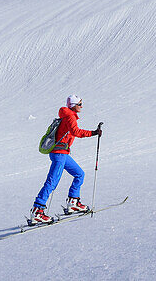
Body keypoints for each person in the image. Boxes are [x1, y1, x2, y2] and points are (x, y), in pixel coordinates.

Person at [28, 94, 102, 225]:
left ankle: (73, 203)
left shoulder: (67, 116)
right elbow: (76, 132)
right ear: (74, 105)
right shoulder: (70, 117)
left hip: (62, 154)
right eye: (79, 104)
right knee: (51, 182)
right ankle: (37, 211)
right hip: (59, 154)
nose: (81, 106)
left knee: (79, 174)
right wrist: (93, 133)